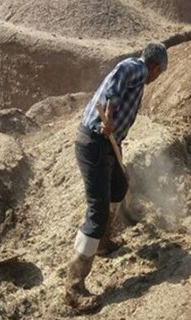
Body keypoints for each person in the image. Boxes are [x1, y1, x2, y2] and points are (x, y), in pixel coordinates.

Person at [65, 42, 168, 313]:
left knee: (119, 187)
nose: (157, 78)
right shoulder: (135, 68)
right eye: (160, 73)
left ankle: (102, 242)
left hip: (109, 143)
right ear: (155, 68)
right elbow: (115, 85)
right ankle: (74, 286)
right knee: (97, 211)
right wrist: (108, 116)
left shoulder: (140, 77)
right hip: (94, 142)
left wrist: (118, 140)